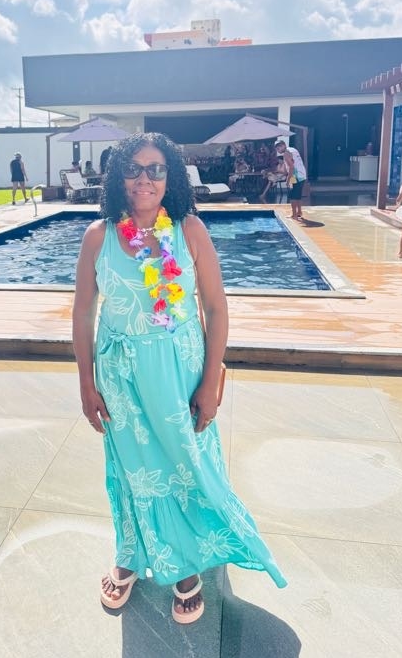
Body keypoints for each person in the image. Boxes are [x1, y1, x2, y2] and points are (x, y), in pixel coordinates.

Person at [72, 132, 286, 625]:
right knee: (132, 467)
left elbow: (215, 307)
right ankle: (130, 553)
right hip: (120, 374)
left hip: (179, 370)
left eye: (156, 169)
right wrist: (86, 381)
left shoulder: (189, 230)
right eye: (134, 168)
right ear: (118, 176)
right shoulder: (99, 236)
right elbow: (83, 312)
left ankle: (185, 563)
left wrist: (210, 381)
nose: (144, 179)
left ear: (171, 177)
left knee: (185, 465)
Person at [275, 139, 307, 220]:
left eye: (279, 148)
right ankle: (299, 212)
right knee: (298, 195)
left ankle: (294, 215)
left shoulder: (286, 154)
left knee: (292, 196)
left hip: (295, 176)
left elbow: (291, 168)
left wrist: (288, 179)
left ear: (284, 145)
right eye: (277, 149)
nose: (278, 150)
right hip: (302, 174)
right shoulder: (293, 149)